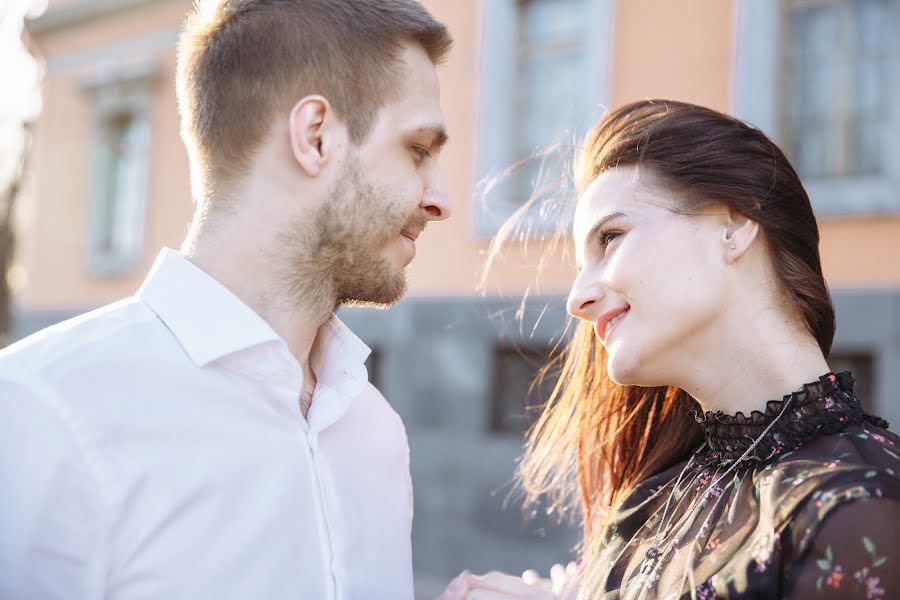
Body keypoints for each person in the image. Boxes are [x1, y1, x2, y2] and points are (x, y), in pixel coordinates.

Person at [0, 1, 452, 598]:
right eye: (418, 149)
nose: (440, 199)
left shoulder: (375, 432)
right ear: (315, 136)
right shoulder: (40, 413)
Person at [440, 100, 900, 599]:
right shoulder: (653, 498)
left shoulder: (857, 504)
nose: (577, 300)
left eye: (611, 238)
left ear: (734, 224)